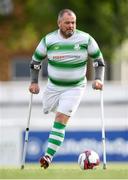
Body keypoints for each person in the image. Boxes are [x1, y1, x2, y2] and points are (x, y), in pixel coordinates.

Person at [29, 9, 105, 169]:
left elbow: (98, 59)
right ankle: (56, 110)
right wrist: (34, 82)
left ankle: (48, 156)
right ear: (59, 24)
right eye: (67, 23)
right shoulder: (48, 40)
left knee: (60, 119)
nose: (71, 26)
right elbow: (36, 61)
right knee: (48, 110)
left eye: (73, 23)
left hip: (75, 87)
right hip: (53, 87)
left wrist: (98, 79)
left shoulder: (85, 39)